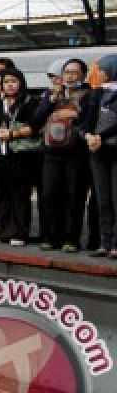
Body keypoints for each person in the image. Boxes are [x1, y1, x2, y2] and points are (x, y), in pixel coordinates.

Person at [36, 58, 90, 252]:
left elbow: (88, 119)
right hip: (51, 151)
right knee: (49, 193)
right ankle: (50, 236)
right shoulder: (50, 94)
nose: (69, 76)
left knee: (74, 194)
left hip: (76, 152)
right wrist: (51, 100)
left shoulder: (89, 94)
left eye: (75, 72)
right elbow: (37, 119)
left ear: (83, 75)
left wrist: (74, 114)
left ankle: (71, 238)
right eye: (66, 72)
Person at [0, 67, 42, 246]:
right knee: (1, 193)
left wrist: (12, 134)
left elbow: (34, 126)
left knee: (20, 194)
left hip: (20, 154)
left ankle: (20, 232)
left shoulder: (30, 102)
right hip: (0, 153)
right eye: (6, 82)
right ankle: (3, 230)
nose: (9, 85)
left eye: (13, 81)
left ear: (21, 83)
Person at [81, 54, 117, 258]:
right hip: (97, 150)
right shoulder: (96, 93)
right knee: (102, 199)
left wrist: (100, 136)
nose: (98, 74)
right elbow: (85, 119)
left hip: (112, 147)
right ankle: (105, 241)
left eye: (102, 70)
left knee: (115, 198)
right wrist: (88, 135)